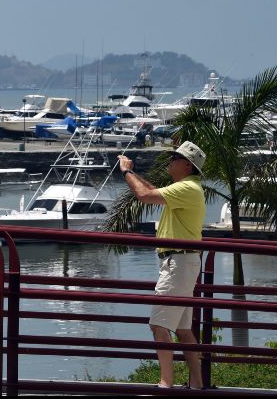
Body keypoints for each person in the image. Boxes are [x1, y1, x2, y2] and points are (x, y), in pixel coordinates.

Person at [118, 141, 207, 389]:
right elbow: (154, 191)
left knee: (158, 325)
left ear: (187, 165)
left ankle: (165, 384)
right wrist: (134, 172)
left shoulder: (187, 188)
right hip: (182, 261)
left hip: (177, 262)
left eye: (175, 158)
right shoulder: (186, 188)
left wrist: (126, 171)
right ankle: (197, 385)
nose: (170, 161)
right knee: (183, 328)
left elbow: (144, 195)